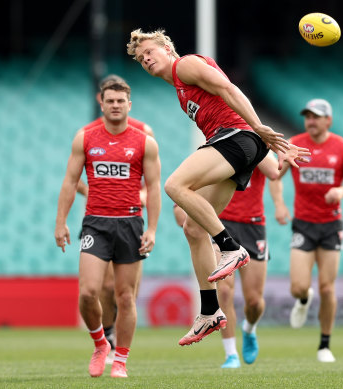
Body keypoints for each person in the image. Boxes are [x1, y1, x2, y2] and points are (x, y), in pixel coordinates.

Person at [126, 29, 310, 346]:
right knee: (193, 228)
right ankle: (210, 311)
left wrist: (260, 128)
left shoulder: (184, 66)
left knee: (174, 185)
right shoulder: (180, 90)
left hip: (236, 138)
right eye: (141, 59)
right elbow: (271, 170)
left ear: (166, 47)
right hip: (243, 146)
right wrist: (277, 158)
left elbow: (228, 88)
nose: (146, 59)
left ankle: (229, 246)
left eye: (149, 52)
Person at [54, 79, 161, 378]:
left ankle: (122, 360)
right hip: (96, 223)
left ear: (129, 104)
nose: (115, 105)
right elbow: (70, 181)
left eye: (120, 101)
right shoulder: (85, 137)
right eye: (110, 101)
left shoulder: (144, 142)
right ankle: (101, 344)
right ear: (101, 103)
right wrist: (61, 221)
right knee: (89, 292)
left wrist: (151, 229)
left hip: (130, 223)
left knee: (125, 296)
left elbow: (153, 188)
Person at [275, 98, 343, 362]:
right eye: (307, 116)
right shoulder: (295, 144)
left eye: (316, 116)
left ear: (329, 120)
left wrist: (342, 190)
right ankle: (303, 300)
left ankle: (324, 345)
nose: (311, 121)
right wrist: (280, 204)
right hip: (303, 223)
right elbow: (275, 176)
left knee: (328, 287)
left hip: (330, 225)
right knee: (298, 287)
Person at [216, 152, 282, 368]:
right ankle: (231, 354)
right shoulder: (218, 143)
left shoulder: (257, 143)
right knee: (224, 290)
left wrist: (254, 142)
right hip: (222, 223)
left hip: (253, 226)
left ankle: (249, 329)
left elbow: (274, 171)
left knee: (254, 301)